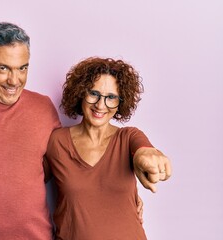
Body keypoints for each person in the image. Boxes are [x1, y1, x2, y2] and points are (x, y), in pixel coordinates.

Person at [0, 22, 170, 240]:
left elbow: (69, 169)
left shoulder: (44, 107)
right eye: (3, 68)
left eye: (22, 68)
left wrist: (127, 195)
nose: (14, 80)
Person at [45, 57, 172, 240]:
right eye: (93, 93)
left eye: (111, 97)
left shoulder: (128, 137)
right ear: (81, 93)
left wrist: (150, 157)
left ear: (121, 102)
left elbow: (144, 151)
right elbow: (29, 182)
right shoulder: (57, 142)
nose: (100, 105)